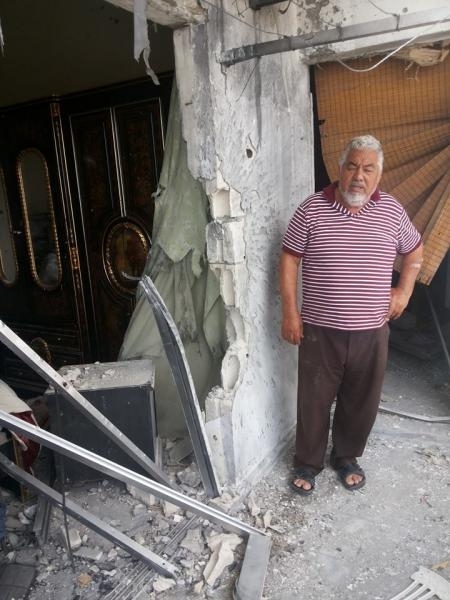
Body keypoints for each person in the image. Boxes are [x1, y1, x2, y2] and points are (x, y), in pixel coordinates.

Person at [279, 134, 423, 495]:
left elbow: (414, 250)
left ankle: (346, 457)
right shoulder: (311, 209)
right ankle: (307, 462)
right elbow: (290, 258)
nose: (359, 176)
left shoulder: (392, 211)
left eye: (368, 169)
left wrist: (403, 292)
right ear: (340, 168)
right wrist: (290, 313)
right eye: (352, 166)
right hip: (320, 329)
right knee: (313, 399)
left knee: (361, 399)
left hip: (371, 330)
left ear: (378, 174)